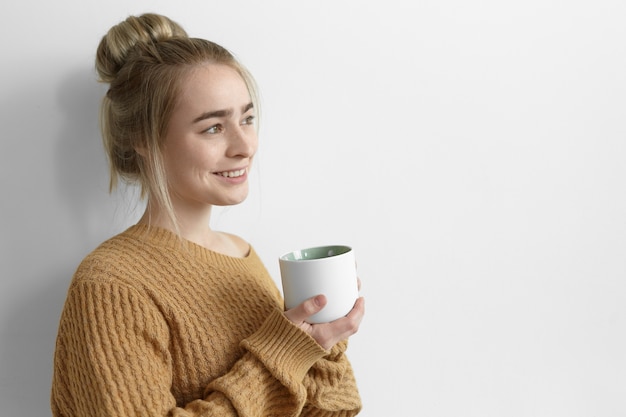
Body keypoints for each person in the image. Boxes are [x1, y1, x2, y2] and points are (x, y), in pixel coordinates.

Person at [51, 12, 365, 417]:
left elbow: (331, 410)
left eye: (247, 119)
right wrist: (280, 352)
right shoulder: (111, 284)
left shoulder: (241, 255)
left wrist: (323, 341)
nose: (244, 145)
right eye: (213, 127)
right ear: (142, 139)